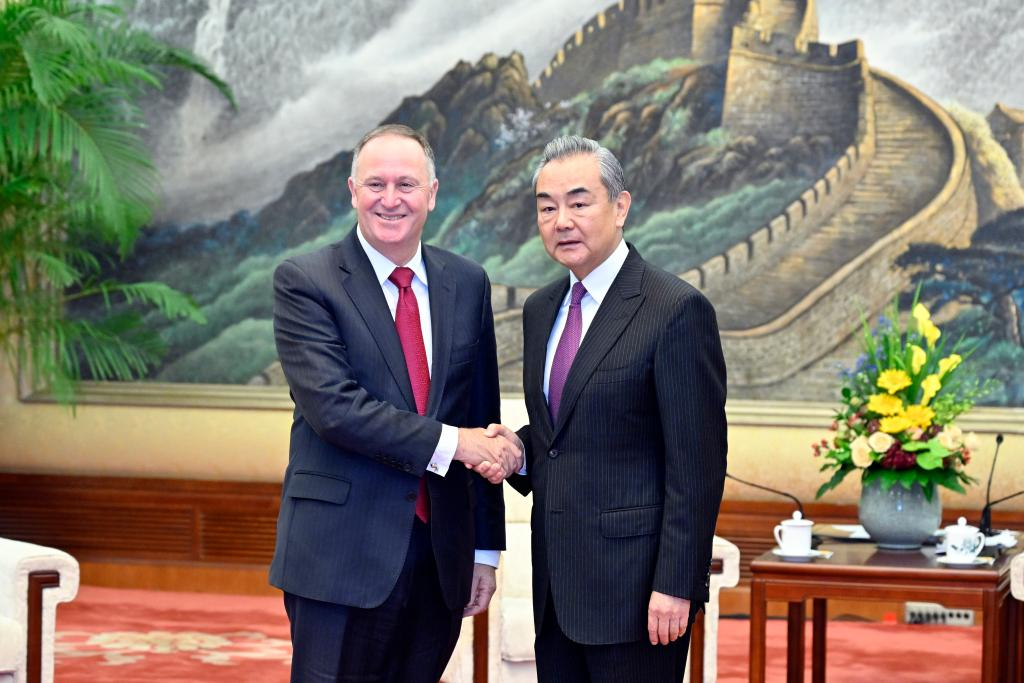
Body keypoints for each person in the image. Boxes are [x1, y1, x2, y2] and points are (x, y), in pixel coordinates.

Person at [270, 123, 523, 683]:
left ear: (431, 194)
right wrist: (455, 444)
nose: (390, 199)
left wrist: (484, 550)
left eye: (406, 184)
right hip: (338, 558)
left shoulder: (468, 283)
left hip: (440, 558)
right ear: (352, 192)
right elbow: (335, 409)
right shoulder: (306, 281)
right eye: (375, 184)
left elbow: (481, 414)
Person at [491, 135, 728, 682]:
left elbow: (697, 465)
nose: (561, 221)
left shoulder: (675, 309)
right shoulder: (542, 309)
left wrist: (676, 584)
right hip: (557, 592)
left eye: (579, 203)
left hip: (639, 597)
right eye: (547, 207)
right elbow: (565, 433)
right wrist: (517, 452)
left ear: (620, 207)